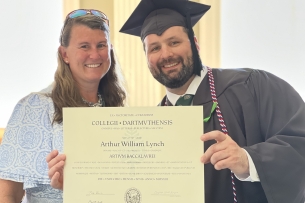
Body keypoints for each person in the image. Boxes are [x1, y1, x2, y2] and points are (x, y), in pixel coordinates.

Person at [119, 0, 305, 202]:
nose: (166, 54)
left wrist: (249, 160)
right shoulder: (151, 127)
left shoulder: (251, 86)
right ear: (147, 58)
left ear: (195, 44)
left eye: (174, 42)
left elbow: (299, 141)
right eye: (154, 48)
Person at [0, 9, 126, 203]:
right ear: (64, 54)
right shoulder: (34, 108)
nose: (95, 54)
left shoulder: (116, 109)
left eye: (101, 45)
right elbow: (8, 194)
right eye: (84, 46)